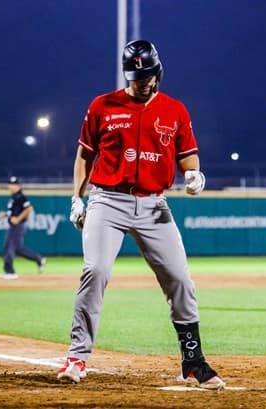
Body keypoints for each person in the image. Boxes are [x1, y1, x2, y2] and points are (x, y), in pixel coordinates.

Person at [57, 40, 225, 390]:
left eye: (147, 75)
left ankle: (192, 362)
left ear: (157, 71)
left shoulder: (175, 110)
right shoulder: (102, 105)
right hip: (108, 201)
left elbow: (188, 156)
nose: (142, 81)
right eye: (136, 76)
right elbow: (84, 157)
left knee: (179, 278)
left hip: (154, 205)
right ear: (127, 75)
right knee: (96, 270)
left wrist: (194, 175)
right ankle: (77, 355)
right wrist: (77, 198)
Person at [0, 176, 46, 279]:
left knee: (9, 247)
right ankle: (38, 259)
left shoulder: (20, 196)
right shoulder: (14, 197)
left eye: (14, 184)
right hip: (15, 225)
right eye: (10, 184)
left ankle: (10, 272)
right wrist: (6, 214)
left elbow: (29, 209)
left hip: (17, 226)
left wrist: (18, 219)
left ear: (19, 186)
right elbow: (14, 211)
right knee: (18, 249)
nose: (11, 186)